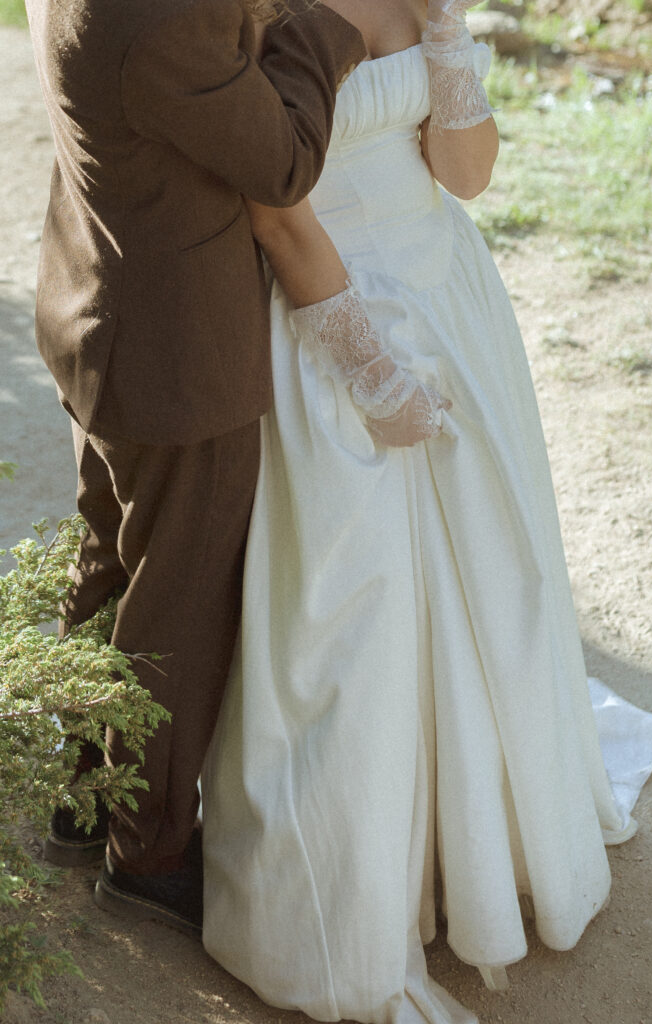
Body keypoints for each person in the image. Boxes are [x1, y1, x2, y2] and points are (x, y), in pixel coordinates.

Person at [200, 0, 652, 1020]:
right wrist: (366, 365)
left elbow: (464, 174)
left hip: (450, 291)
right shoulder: (248, 11)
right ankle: (368, 888)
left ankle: (484, 845)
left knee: (499, 579)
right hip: (325, 315)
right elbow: (267, 206)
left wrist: (445, 33)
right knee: (359, 615)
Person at [28, 0, 367, 935]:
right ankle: (149, 851)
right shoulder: (169, 16)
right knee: (181, 602)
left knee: (116, 559)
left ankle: (82, 795)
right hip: (178, 357)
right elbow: (282, 162)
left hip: (96, 308)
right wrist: (321, 23)